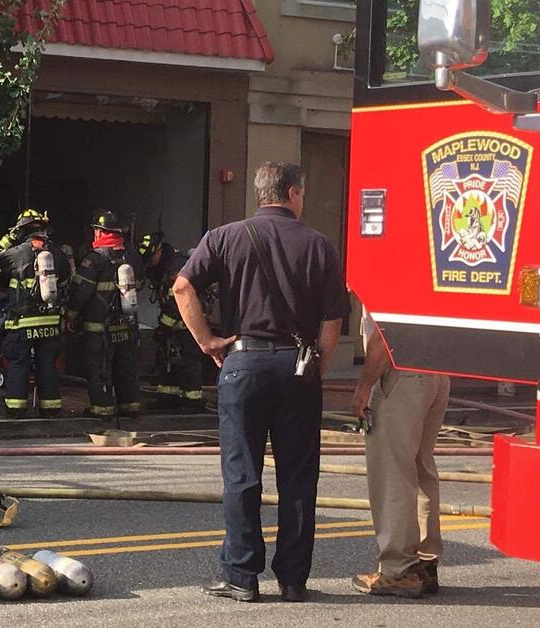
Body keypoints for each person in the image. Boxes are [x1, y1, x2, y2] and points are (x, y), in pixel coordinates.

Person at [173, 161, 349, 603]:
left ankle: (241, 576)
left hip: (243, 362)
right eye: (303, 193)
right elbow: (333, 318)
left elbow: (182, 287)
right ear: (292, 192)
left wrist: (208, 342)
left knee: (242, 474)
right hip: (298, 366)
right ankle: (293, 580)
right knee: (298, 476)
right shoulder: (319, 245)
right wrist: (316, 370)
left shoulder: (225, 237)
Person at [350, 309, 450, 598]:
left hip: (401, 374)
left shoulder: (383, 273)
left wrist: (364, 386)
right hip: (436, 372)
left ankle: (398, 571)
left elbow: (385, 333)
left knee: (392, 473)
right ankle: (425, 562)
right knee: (421, 469)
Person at [0, 208, 71, 418]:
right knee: (48, 365)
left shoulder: (17, 253)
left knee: (18, 363)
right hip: (50, 322)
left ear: (22, 231)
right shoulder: (57, 253)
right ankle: (50, 408)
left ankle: (16, 408)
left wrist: (9, 238)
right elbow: (65, 281)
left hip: (22, 322)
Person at [65, 211, 143, 419]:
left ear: (100, 232)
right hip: (127, 325)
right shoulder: (131, 256)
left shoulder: (95, 258)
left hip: (99, 326)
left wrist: (71, 314)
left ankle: (102, 409)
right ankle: (130, 406)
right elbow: (141, 285)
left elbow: (81, 291)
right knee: (126, 367)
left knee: (99, 367)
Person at [136, 231, 205, 412]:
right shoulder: (164, 267)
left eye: (151, 258)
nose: (150, 263)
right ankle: (168, 397)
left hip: (187, 327)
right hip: (174, 328)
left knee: (188, 362)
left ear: (158, 252)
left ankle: (192, 401)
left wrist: (163, 327)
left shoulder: (177, 267)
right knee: (168, 360)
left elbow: (176, 302)